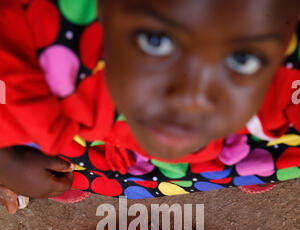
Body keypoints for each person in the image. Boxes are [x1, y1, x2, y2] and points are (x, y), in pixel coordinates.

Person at [0, 0, 299, 213]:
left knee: (264, 156)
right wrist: (7, 163)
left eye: (242, 59)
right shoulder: (39, 35)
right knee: (60, 161)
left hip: (240, 135)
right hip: (97, 135)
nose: (192, 100)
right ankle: (76, 177)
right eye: (156, 41)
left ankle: (256, 166)